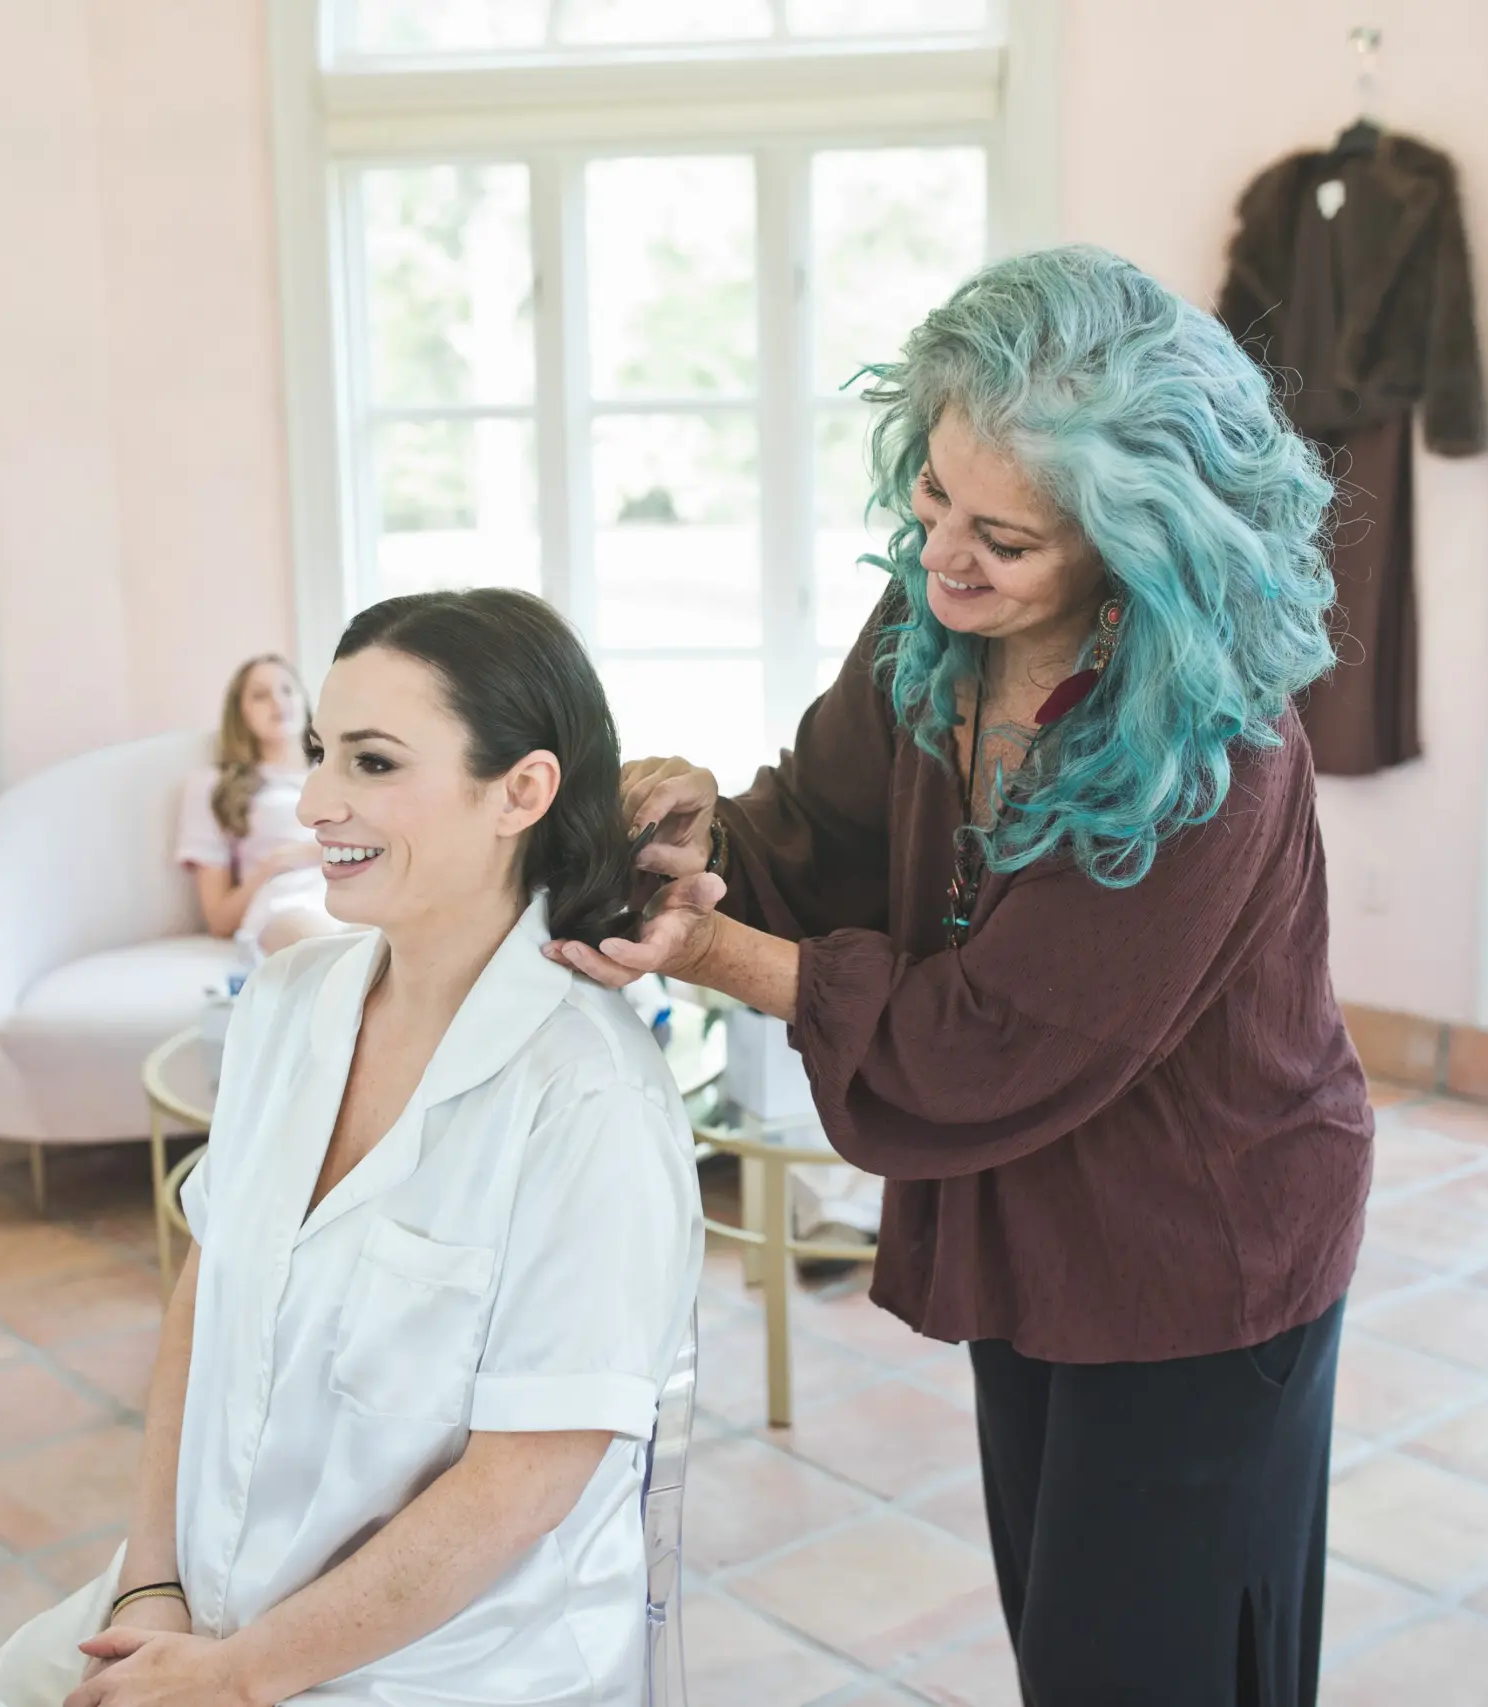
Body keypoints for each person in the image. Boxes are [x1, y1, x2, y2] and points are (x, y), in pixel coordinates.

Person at [552, 246, 1374, 1707]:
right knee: (1062, 1627)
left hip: (1200, 1244)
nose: (943, 555)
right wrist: (711, 832)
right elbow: (823, 824)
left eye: (1006, 533)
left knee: (1152, 1661)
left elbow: (1000, 1039)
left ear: (1138, 545)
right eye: (932, 497)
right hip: (1036, 1207)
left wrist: (732, 955)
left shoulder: (1214, 749)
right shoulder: (937, 625)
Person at [0, 588, 702, 1707]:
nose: (314, 800)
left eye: (371, 762)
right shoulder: (285, 1001)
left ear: (522, 790)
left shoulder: (587, 1098)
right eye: (320, 752)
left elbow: (520, 1486)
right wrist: (149, 1594)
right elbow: (207, 1294)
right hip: (208, 1610)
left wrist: (235, 1680)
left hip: (436, 1670)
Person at [177, 654, 342, 957]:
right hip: (288, 900)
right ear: (240, 714)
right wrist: (274, 865)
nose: (279, 702)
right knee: (329, 950)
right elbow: (218, 921)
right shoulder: (214, 785)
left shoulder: (339, 771)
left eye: (287, 690)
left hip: (355, 888)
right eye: (260, 696)